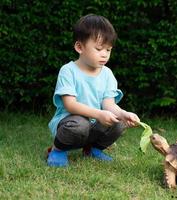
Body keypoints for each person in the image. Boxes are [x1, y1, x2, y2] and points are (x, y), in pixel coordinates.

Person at [47, 14, 140, 167]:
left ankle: (93, 149)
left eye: (108, 49)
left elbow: (109, 105)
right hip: (71, 123)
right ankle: (57, 150)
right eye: (98, 48)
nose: (104, 54)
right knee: (80, 124)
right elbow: (70, 105)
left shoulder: (107, 74)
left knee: (119, 122)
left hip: (95, 123)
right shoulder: (68, 71)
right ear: (79, 47)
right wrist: (99, 114)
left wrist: (124, 114)